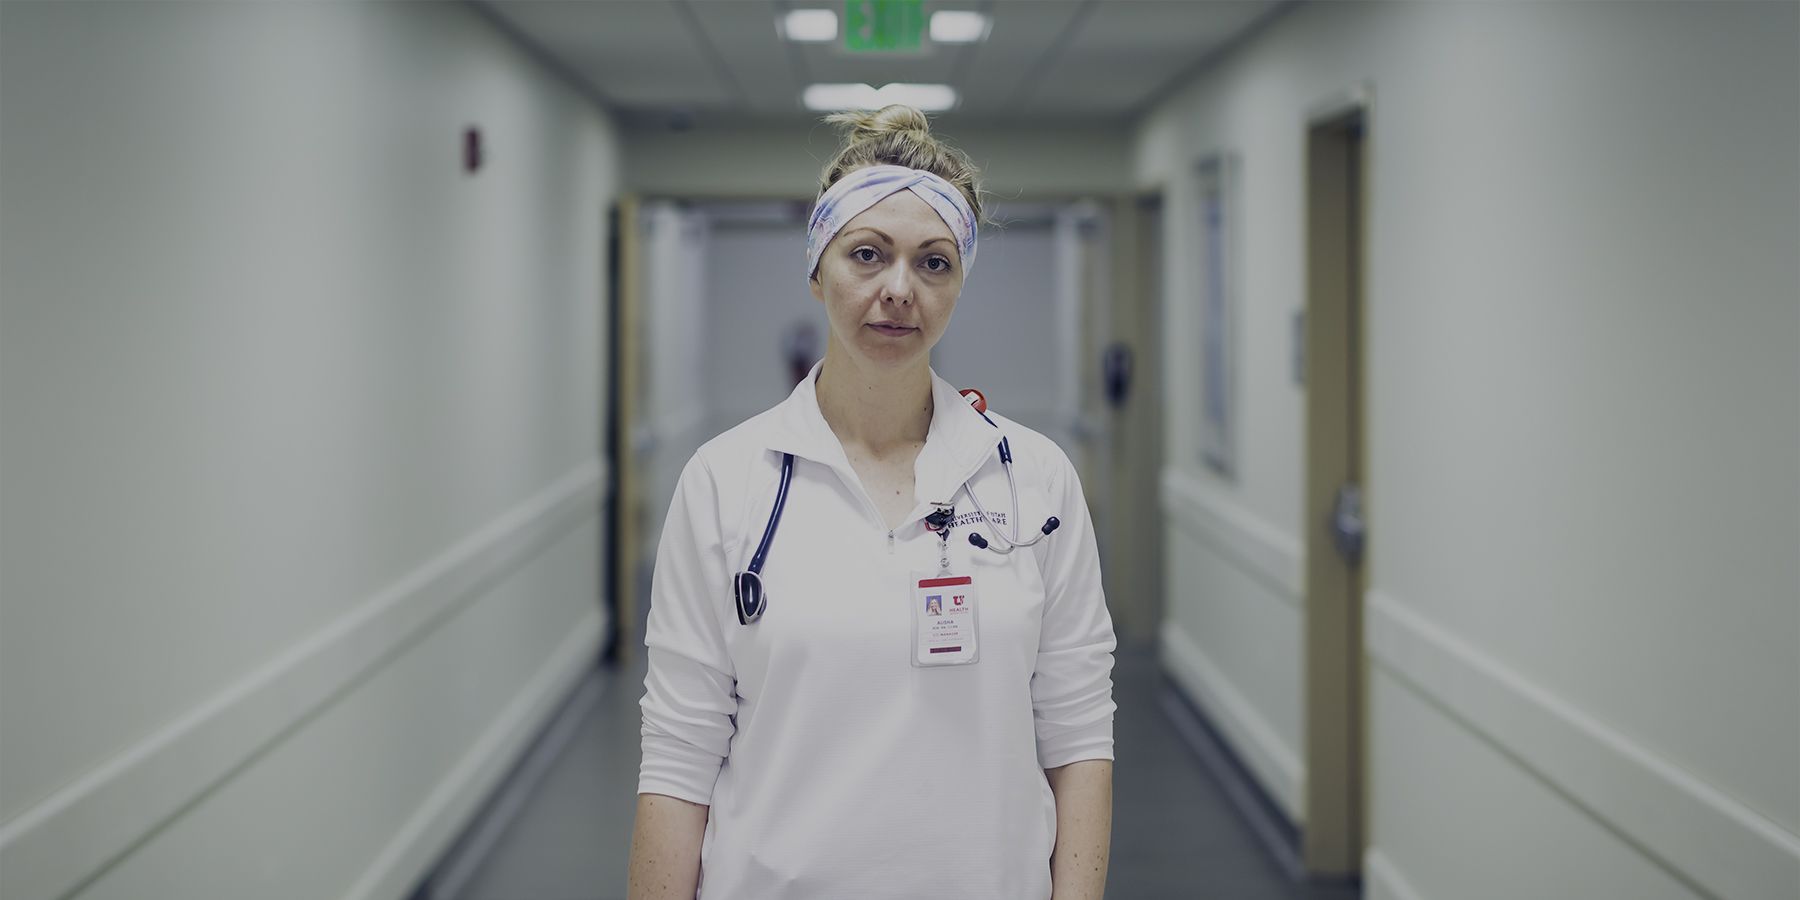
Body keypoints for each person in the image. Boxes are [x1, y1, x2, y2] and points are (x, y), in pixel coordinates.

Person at [626, 104, 1116, 900]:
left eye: (934, 263)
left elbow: (1079, 734)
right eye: (867, 254)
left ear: (959, 283)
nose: (899, 289)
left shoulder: (1034, 479)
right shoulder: (725, 481)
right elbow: (680, 755)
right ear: (816, 269)